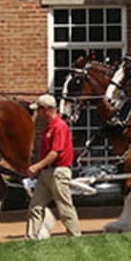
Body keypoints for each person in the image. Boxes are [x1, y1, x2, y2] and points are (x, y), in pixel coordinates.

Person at [26, 93, 81, 239]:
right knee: (35, 206)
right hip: (46, 173)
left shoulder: (59, 126)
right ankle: (31, 237)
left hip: (59, 172)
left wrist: (36, 166)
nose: (37, 113)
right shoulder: (48, 127)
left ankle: (75, 236)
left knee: (64, 207)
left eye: (39, 109)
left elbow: (56, 152)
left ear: (47, 109)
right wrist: (40, 169)